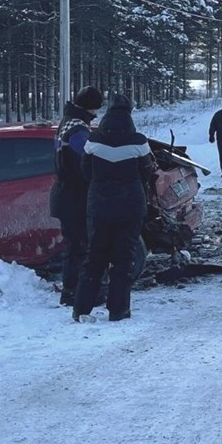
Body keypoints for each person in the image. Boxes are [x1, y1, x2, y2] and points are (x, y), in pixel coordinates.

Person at [73, 94, 156, 323]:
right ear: (129, 114)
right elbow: (146, 173)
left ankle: (81, 308)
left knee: (94, 257)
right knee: (123, 258)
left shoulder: (93, 140)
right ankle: (118, 310)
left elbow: (86, 172)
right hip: (130, 204)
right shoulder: (139, 142)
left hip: (99, 204)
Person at [50, 85, 103, 306]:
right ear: (89, 108)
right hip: (74, 196)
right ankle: (76, 293)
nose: (96, 114)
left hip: (65, 195)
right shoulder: (78, 130)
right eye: (96, 109)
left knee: (74, 245)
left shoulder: (67, 123)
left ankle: (72, 291)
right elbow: (89, 161)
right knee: (80, 246)